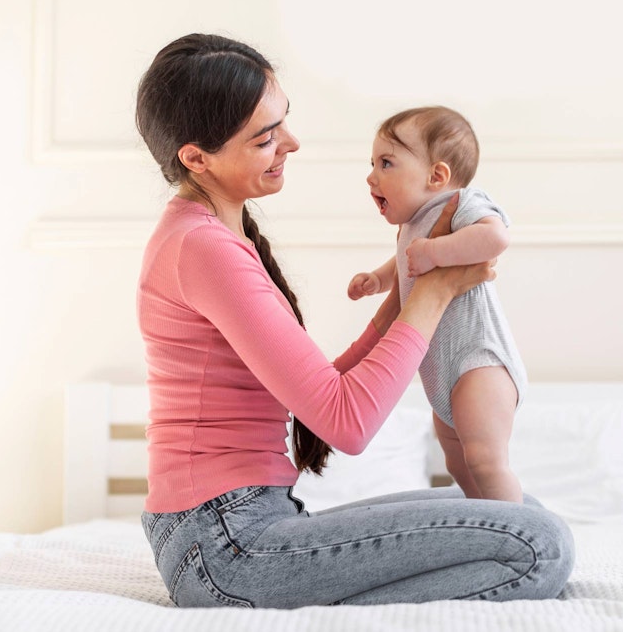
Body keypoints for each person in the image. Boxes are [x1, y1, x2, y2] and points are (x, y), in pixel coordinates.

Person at [135, 33, 573, 609]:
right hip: (223, 546)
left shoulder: (207, 236)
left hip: (231, 529)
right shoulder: (204, 248)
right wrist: (434, 292)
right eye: (266, 138)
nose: (291, 142)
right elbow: (348, 422)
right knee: (539, 547)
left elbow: (318, 396)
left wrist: (397, 307)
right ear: (196, 158)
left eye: (284, 121)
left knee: (513, 514)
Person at [348, 106, 526, 504]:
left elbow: (496, 238)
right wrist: (380, 279)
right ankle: (485, 523)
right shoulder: (412, 225)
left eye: (386, 163)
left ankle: (519, 529)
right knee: (458, 463)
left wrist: (436, 251)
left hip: (479, 363)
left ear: (437, 176)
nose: (371, 175)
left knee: (485, 459)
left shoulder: (462, 202)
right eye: (372, 163)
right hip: (441, 377)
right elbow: (406, 262)